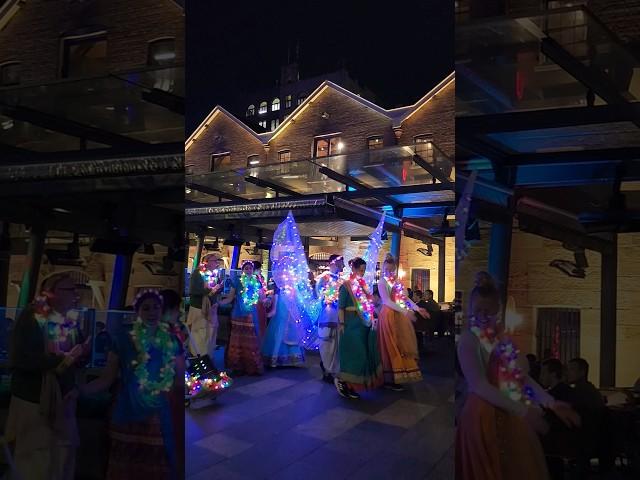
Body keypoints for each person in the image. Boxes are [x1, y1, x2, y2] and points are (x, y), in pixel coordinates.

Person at [455, 278, 579, 480]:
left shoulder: (500, 341)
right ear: (471, 311)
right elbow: (479, 385)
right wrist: (523, 411)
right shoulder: (469, 340)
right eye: (478, 311)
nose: (483, 317)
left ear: (498, 310)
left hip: (511, 415)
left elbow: (520, 377)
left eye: (489, 311)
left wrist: (550, 402)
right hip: (482, 417)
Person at [80, 289, 184, 479]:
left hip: (158, 418)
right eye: (146, 308)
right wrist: (79, 391)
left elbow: (178, 381)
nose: (152, 313)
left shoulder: (171, 341)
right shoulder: (122, 339)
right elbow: (106, 379)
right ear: (137, 312)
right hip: (126, 414)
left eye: (156, 308)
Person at [6, 273, 90, 480]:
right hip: (35, 401)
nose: (75, 294)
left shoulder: (70, 320)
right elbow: (21, 359)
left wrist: (80, 356)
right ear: (51, 293)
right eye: (70, 290)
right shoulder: (32, 317)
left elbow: (75, 359)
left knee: (61, 457)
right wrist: (64, 359)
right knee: (35, 459)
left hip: (63, 399)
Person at [376, 254, 427, 391]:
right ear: (383, 270)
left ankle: (396, 376)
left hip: (399, 315)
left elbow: (405, 299)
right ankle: (389, 378)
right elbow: (386, 301)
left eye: (391, 270)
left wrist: (417, 308)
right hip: (388, 316)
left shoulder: (397, 282)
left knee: (399, 345)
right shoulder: (382, 283)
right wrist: (406, 312)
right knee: (390, 346)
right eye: (387, 270)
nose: (389, 273)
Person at [335, 257, 383, 399]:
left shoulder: (363, 286)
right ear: (353, 269)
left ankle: (353, 385)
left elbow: (368, 304)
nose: (362, 273)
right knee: (355, 354)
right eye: (359, 270)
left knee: (363, 354)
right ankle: (343, 382)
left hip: (363, 324)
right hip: (350, 325)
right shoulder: (346, 286)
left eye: (363, 270)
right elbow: (341, 308)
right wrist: (342, 324)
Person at [219, 260, 264, 375]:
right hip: (238, 313)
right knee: (237, 341)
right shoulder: (237, 281)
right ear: (242, 270)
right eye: (246, 268)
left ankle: (252, 367)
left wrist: (268, 299)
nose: (248, 270)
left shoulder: (256, 282)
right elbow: (230, 297)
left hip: (251, 314)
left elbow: (260, 297)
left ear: (253, 270)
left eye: (250, 268)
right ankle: (236, 367)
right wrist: (218, 304)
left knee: (251, 340)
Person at [187, 254, 223, 359]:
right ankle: (197, 357)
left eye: (217, 261)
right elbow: (194, 291)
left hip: (211, 309)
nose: (217, 263)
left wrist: (218, 288)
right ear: (206, 261)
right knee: (199, 334)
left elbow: (218, 288)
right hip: (199, 308)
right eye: (215, 260)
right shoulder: (197, 273)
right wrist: (211, 290)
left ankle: (208, 357)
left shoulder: (215, 274)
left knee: (210, 334)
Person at [315, 255, 344, 383]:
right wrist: (329, 297)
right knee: (327, 342)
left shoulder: (342, 280)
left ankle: (333, 369)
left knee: (336, 344)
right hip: (327, 314)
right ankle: (327, 368)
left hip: (337, 315)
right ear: (334, 263)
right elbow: (318, 295)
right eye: (341, 263)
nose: (343, 266)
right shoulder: (324, 278)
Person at [261, 284, 305, 368]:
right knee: (279, 331)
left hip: (289, 313)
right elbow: (274, 296)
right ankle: (276, 358)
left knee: (288, 331)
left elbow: (298, 300)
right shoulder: (279, 288)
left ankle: (291, 358)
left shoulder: (293, 287)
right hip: (281, 312)